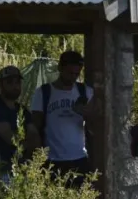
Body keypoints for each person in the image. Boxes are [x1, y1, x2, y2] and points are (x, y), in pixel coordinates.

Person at [30, 51, 96, 185]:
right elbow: (35, 126)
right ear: (60, 68)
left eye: (76, 74)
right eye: (69, 73)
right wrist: (37, 157)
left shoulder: (85, 92)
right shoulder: (44, 92)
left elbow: (96, 126)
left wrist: (87, 115)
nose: (73, 78)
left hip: (79, 158)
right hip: (52, 159)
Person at [0, 65, 41, 173]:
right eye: (9, 82)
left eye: (17, 82)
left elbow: (35, 136)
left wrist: (30, 149)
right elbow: (11, 139)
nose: (15, 86)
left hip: (21, 165)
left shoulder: (22, 110)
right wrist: (29, 144)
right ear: (0, 85)